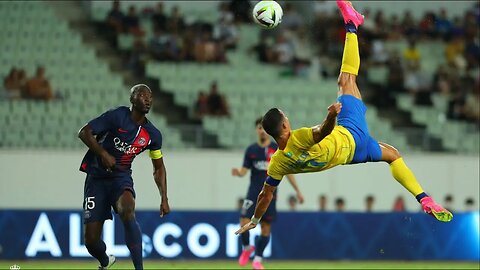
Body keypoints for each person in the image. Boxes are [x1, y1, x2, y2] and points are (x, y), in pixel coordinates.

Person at [235, 0, 452, 237]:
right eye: (286, 116)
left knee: (392, 155)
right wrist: (331, 116)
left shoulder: (277, 163)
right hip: (350, 132)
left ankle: (424, 199)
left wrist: (255, 219)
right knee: (346, 80)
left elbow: (265, 194)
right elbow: (322, 132)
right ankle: (352, 24)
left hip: (353, 155)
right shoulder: (299, 137)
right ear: (285, 125)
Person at [78, 84, 170, 270]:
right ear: (132, 99)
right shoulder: (117, 116)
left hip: (121, 178)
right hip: (96, 180)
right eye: (142, 95)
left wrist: (164, 197)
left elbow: (158, 167)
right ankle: (105, 261)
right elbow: (84, 133)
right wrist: (103, 154)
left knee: (127, 209)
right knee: (91, 242)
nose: (147, 99)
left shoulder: (152, 135)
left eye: (150, 96)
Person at [232, 117, 304, 270]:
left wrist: (298, 191)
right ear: (256, 130)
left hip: (270, 193)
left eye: (264, 128)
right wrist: (238, 173)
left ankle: (257, 260)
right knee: (244, 220)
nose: (262, 131)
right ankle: (246, 249)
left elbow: (288, 172)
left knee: (266, 226)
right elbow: (244, 171)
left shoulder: (277, 148)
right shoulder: (251, 150)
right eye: (259, 128)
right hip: (253, 193)